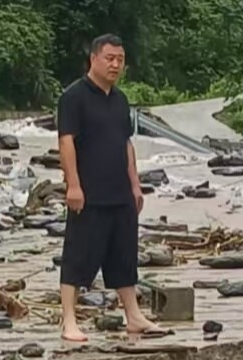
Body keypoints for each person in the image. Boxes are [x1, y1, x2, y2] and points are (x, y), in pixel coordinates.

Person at [56, 34, 163, 342]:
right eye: (110, 58)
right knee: (77, 254)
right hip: (88, 192)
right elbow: (66, 142)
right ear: (94, 59)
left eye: (120, 59)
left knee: (124, 255)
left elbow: (125, 143)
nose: (116, 64)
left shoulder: (120, 100)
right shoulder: (73, 97)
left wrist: (135, 184)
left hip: (120, 192)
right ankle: (69, 321)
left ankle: (133, 315)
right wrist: (73, 185)